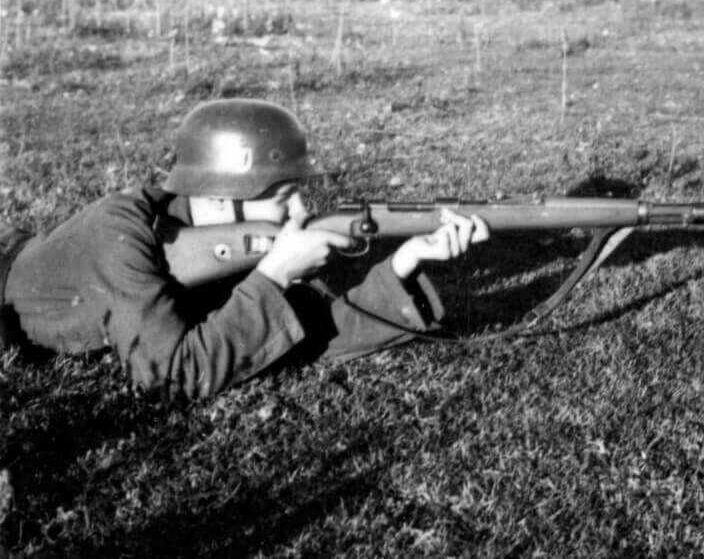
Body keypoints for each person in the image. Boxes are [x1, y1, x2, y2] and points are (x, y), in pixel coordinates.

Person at [0, 99, 489, 399]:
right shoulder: (122, 237)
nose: (300, 208)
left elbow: (305, 331)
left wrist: (406, 261)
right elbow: (172, 377)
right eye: (281, 195)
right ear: (218, 198)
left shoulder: (222, 239)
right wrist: (273, 274)